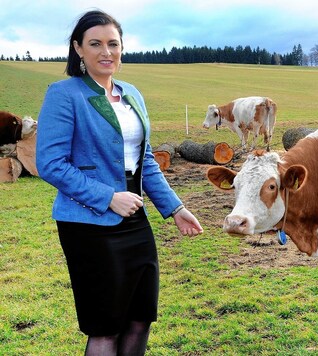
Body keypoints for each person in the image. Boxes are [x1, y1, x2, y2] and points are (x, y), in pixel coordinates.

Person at [36, 10, 203, 355]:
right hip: (87, 224)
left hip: (135, 219)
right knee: (105, 326)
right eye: (95, 44)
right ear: (78, 49)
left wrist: (175, 208)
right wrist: (108, 197)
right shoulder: (64, 94)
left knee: (141, 316)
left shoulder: (132, 95)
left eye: (113, 43)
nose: (106, 52)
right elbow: (50, 164)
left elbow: (144, 160)